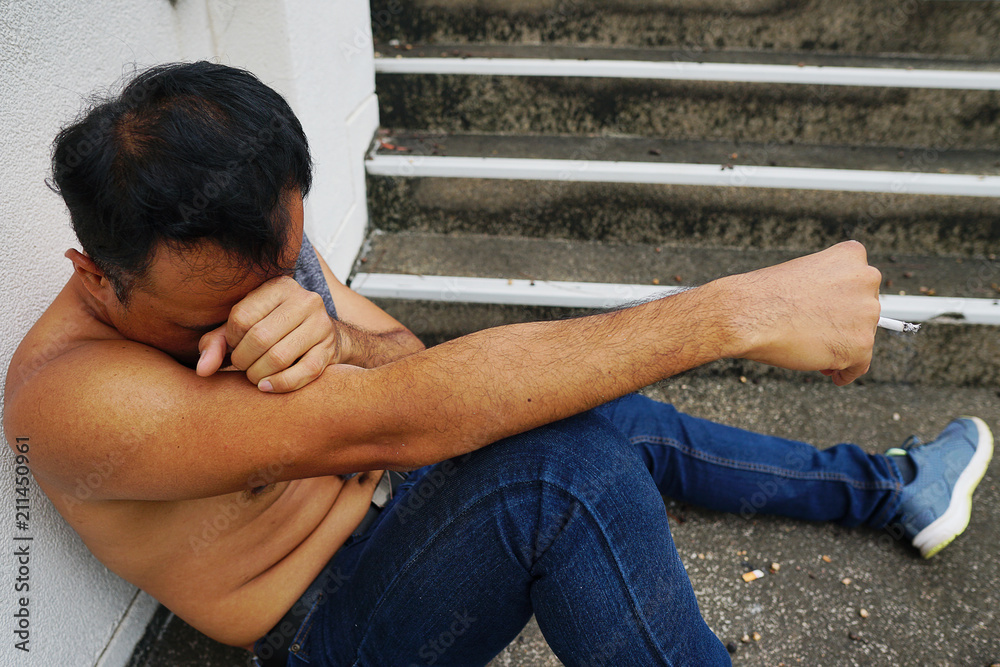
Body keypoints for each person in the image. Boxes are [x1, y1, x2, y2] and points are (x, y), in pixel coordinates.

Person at [3, 61, 992, 667]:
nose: (247, 320)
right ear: (96, 276)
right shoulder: (69, 399)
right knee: (563, 478)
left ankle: (892, 489)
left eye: (281, 274)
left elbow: (402, 359)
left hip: (409, 496)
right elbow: (400, 416)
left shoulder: (238, 240)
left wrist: (336, 335)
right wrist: (739, 311)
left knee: (604, 412)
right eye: (204, 321)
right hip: (336, 625)